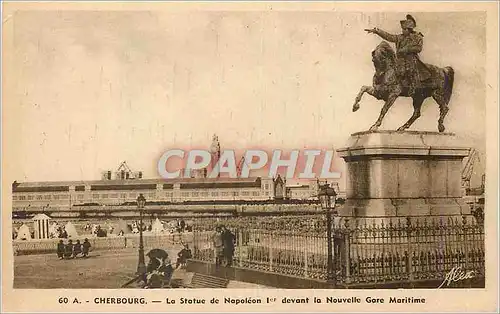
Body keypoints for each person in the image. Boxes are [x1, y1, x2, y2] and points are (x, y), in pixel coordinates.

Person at [365, 14, 431, 96]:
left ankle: (413, 88)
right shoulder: (400, 37)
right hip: (399, 60)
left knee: (410, 69)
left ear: (409, 29)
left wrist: (407, 49)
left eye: (404, 29)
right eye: (402, 29)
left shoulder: (417, 37)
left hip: (411, 59)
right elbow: (389, 37)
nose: (402, 31)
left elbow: (419, 48)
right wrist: (377, 31)